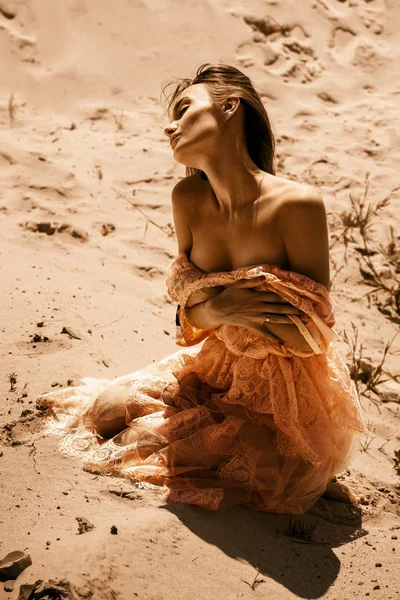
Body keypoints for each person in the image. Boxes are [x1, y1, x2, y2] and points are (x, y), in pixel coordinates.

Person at [37, 63, 366, 513]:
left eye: (184, 108)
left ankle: (309, 471)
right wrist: (224, 309)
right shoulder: (187, 200)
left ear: (230, 107)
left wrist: (225, 310)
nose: (169, 125)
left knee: (225, 458)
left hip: (284, 395)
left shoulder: (297, 204)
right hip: (213, 366)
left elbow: (314, 335)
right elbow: (189, 316)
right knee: (107, 410)